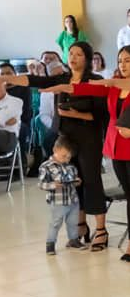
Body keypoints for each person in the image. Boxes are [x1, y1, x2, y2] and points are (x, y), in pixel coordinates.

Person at [47, 45, 130, 262]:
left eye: (128, 60)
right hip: (117, 147)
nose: (123, 64)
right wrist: (66, 87)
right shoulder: (116, 87)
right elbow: (89, 90)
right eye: (120, 60)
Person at [5, 42, 109, 250]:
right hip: (66, 137)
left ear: (87, 58)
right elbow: (36, 80)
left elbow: (101, 116)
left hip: (89, 137)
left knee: (91, 181)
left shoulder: (96, 81)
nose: (73, 57)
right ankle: (81, 225)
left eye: (79, 54)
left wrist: (74, 114)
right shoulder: (62, 78)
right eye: (71, 53)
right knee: (73, 180)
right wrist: (8, 78)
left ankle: (101, 230)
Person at [39, 136, 85, 255]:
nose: (66, 159)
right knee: (55, 223)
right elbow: (41, 184)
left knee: (73, 222)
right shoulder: (46, 166)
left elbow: (73, 180)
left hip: (73, 200)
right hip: (58, 202)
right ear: (55, 149)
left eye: (69, 157)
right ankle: (50, 244)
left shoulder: (71, 166)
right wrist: (53, 185)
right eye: (64, 156)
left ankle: (73, 240)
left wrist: (76, 182)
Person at [0, 79, 23, 154]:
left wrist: (3, 122)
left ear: (4, 84)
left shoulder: (16, 101)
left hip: (9, 137)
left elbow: (8, 120)